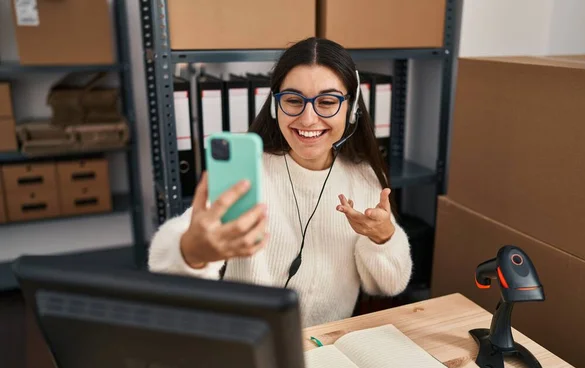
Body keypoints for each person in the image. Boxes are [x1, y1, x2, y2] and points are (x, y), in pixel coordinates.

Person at [148, 37, 413, 328]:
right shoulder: (247, 172)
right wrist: (191, 251)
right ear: (275, 106)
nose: (308, 118)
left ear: (351, 109)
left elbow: (389, 286)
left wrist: (384, 238)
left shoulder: (364, 178)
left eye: (327, 102)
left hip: (326, 346)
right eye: (293, 100)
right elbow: (165, 260)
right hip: (249, 342)